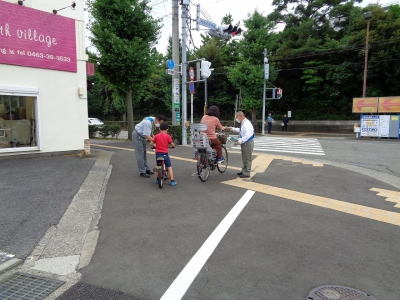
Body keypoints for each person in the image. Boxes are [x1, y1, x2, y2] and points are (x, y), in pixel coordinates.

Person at [228, 111, 254, 178]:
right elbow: (241, 130)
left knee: (247, 158)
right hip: (245, 142)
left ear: (241, 116)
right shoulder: (244, 123)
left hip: (247, 142)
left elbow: (247, 135)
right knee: (244, 157)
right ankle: (244, 170)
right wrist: (232, 129)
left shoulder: (246, 123)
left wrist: (240, 141)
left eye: (237, 117)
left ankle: (247, 172)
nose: (236, 119)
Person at [150, 122, 177, 186]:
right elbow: (172, 144)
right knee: (169, 166)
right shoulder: (168, 136)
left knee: (158, 166)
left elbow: (151, 143)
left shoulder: (156, 136)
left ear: (159, 129)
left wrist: (155, 146)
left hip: (158, 154)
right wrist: (173, 146)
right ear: (167, 129)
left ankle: (157, 180)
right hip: (165, 154)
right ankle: (172, 181)